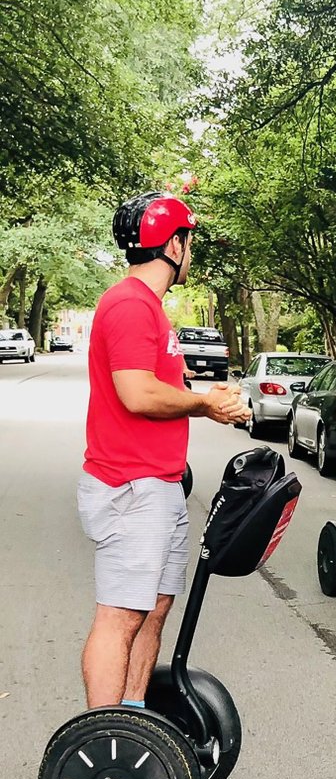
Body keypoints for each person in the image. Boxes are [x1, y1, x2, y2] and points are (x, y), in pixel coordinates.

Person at [78, 191, 251, 709]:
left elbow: (159, 378)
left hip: (159, 482)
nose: (190, 251)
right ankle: (105, 741)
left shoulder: (148, 308)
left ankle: (133, 721)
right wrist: (206, 405)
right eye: (189, 240)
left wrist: (209, 393)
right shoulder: (130, 303)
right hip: (130, 486)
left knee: (152, 609)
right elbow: (137, 392)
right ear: (174, 244)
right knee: (122, 614)